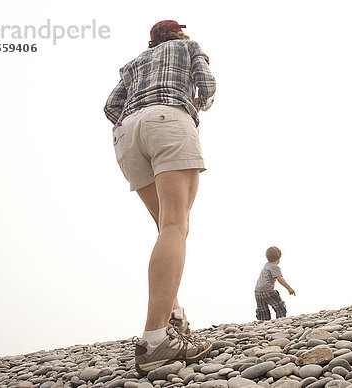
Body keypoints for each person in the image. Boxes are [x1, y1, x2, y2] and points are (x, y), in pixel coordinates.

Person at [103, 20, 216, 374]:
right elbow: (208, 84)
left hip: (126, 134)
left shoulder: (135, 62)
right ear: (178, 34)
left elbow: (110, 106)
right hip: (167, 118)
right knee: (175, 224)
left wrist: (134, 119)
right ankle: (155, 341)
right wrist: (200, 103)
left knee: (168, 228)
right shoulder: (188, 47)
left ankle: (175, 316)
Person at [254, 246, 296, 320]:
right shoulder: (275, 267)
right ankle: (281, 320)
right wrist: (289, 288)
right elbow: (280, 279)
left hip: (258, 291)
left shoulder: (266, 265)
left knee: (262, 310)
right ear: (279, 257)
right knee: (280, 306)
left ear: (267, 257)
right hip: (267, 291)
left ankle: (263, 322)